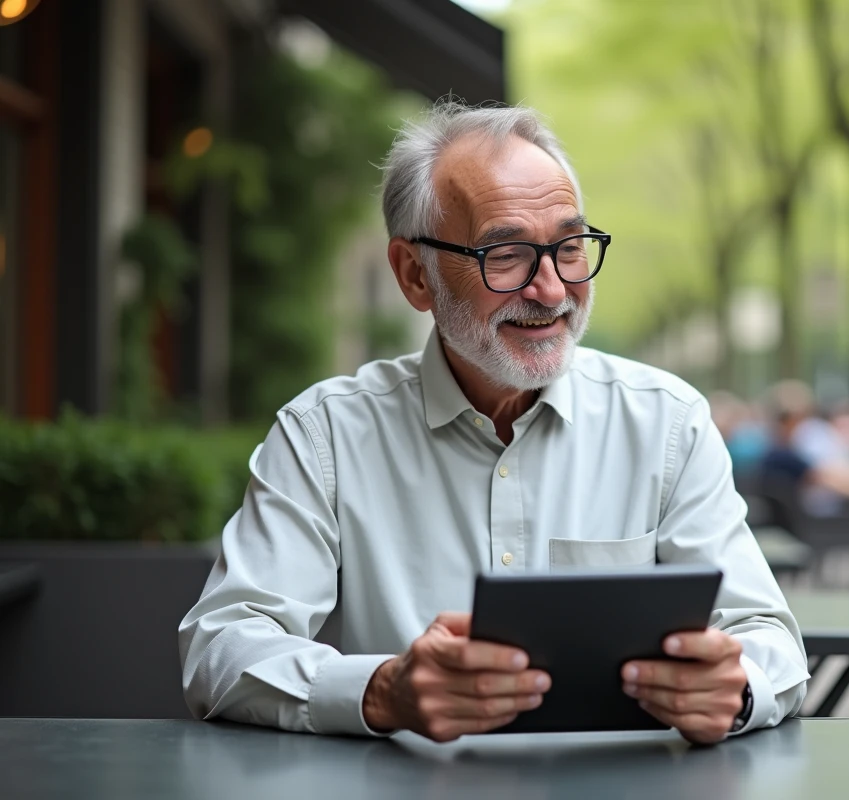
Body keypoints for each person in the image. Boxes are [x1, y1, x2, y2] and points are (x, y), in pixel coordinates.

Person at [178, 101, 808, 745]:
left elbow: (768, 637)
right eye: (505, 255)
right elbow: (223, 645)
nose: (553, 290)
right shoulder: (326, 434)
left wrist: (736, 690)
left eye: (569, 247)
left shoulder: (667, 423)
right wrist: (383, 690)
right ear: (413, 274)